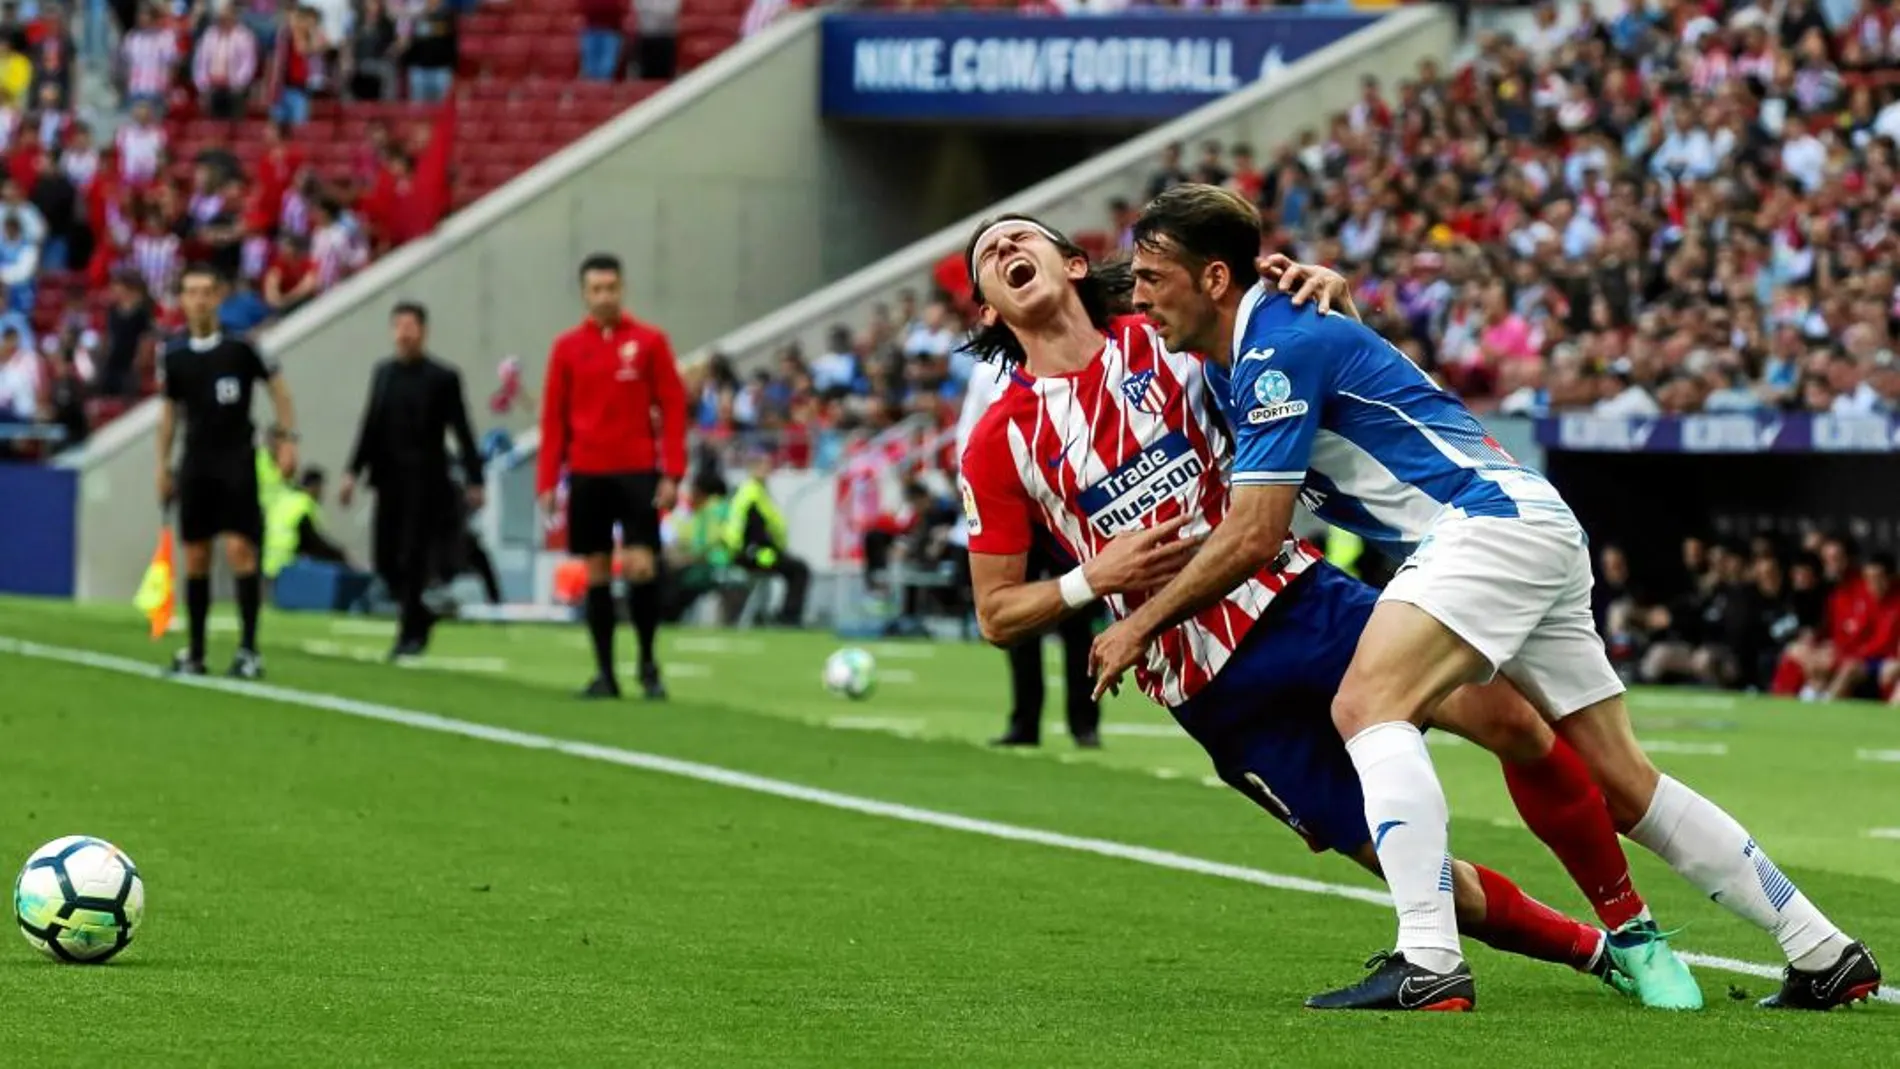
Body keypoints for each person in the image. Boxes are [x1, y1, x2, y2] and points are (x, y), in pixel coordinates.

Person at [1112, 184, 1878, 1011]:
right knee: (1623, 783)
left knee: (1369, 703)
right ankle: (1822, 948)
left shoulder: (1274, 349)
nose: (1139, 295)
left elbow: (1256, 533)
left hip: (1484, 526)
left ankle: (1429, 958)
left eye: (1153, 276)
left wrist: (1138, 623)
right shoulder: (1259, 349)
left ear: (1217, 278)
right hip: (1527, 522)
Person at [955, 213, 1692, 1012]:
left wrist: (1321, 292)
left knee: (1513, 720)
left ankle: (1633, 926)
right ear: (989, 311)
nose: (1004, 250)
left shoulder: (1170, 343)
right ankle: (1591, 956)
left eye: (1019, 238)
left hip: (1298, 599)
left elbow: (1290, 338)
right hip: (1209, 689)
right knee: (1406, 860)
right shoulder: (998, 442)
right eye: (987, 255)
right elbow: (997, 612)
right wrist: (1090, 579)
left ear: (1069, 263)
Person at [537, 253, 688, 699]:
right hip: (586, 472)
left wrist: (673, 471)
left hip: (638, 470)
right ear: (584, 294)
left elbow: (674, 406)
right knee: (597, 569)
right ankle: (605, 673)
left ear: (623, 289)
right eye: (596, 289)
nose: (605, 296)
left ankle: (647, 664)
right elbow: (553, 419)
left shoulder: (649, 342)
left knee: (641, 566)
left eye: (612, 288)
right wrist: (547, 480)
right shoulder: (567, 348)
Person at [155, 263, 297, 679]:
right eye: (190, 291)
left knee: (240, 549)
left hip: (235, 460)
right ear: (181, 300)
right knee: (196, 555)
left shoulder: (241, 347)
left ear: (218, 297)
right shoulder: (175, 355)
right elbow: (169, 414)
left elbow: (278, 387)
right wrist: (162, 466)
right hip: (195, 462)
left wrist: (288, 438)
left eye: (205, 291)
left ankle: (249, 649)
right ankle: (196, 651)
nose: (198, 299)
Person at [954, 359, 1100, 749]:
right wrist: (973, 495)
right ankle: (1025, 721)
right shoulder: (988, 372)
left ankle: (1085, 723)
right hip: (1009, 511)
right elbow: (968, 433)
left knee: (1078, 613)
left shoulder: (1063, 357)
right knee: (1015, 614)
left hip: (1061, 507)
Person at [340, 301, 484, 659]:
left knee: (413, 559)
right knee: (385, 560)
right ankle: (422, 616)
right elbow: (370, 426)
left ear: (423, 330)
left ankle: (408, 632)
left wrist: (474, 478)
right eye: (398, 326)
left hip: (425, 480)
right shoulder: (384, 374)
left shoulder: (442, 377)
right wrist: (351, 472)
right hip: (387, 479)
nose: (404, 333)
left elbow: (461, 429)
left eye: (410, 326)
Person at [725, 449, 809, 627]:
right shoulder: (750, 494)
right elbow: (744, 527)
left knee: (792, 565)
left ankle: (773, 615)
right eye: (763, 466)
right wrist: (740, 550)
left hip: (757, 552)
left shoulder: (758, 492)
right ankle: (788, 617)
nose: (767, 470)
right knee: (797, 569)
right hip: (755, 554)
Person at [262, 466, 350, 579]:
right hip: (288, 564)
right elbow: (311, 541)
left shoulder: (284, 499)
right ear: (314, 487)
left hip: (269, 565)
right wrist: (339, 555)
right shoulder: (304, 504)